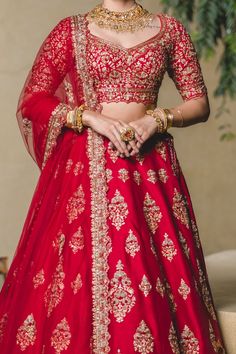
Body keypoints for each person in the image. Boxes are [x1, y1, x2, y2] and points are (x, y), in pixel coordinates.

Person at [0, 1, 226, 353]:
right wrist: (90, 117)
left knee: (149, 276)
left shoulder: (169, 30)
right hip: (86, 169)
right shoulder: (70, 30)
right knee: (79, 278)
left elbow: (199, 102)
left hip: (150, 170)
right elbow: (34, 100)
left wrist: (157, 119)